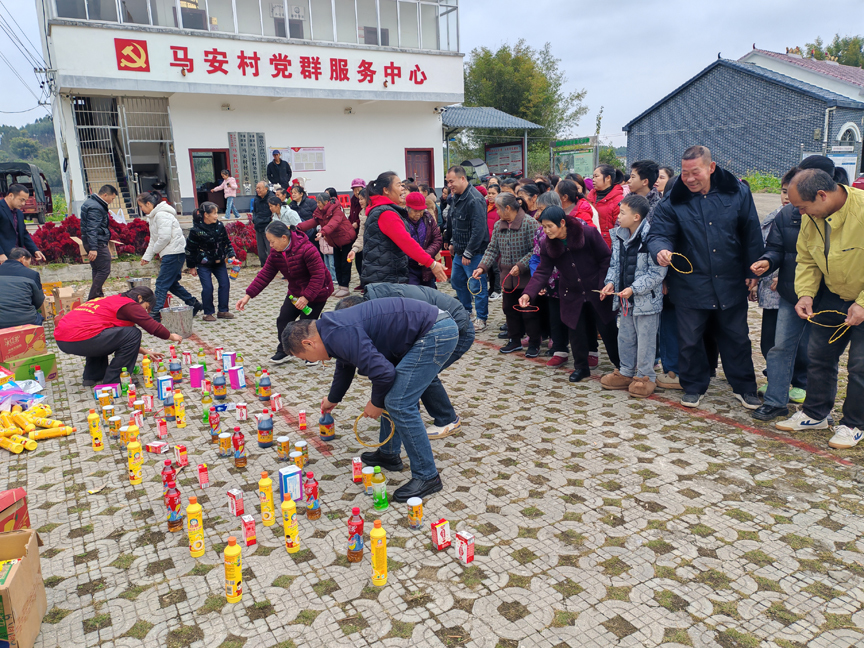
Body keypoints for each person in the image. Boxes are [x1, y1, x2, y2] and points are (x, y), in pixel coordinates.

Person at [282, 298, 458, 501]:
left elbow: (384, 373)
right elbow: (345, 365)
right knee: (394, 397)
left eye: (305, 357)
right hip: (430, 328)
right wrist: (333, 398)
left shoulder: (339, 332)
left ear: (308, 343)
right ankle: (389, 454)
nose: (309, 361)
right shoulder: (331, 329)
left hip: (436, 331)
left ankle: (428, 476)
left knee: (399, 402)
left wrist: (375, 403)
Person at [646, 145, 763, 409]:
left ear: (710, 168)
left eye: (695, 172)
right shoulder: (673, 200)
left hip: (730, 280)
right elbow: (658, 234)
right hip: (689, 283)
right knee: (689, 340)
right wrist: (661, 250)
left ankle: (744, 387)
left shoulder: (738, 192)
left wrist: (752, 272)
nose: (689, 179)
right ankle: (693, 385)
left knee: (737, 337)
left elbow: (751, 233)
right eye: (685, 172)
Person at [773, 168, 864, 449]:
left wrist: (862, 303)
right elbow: (807, 259)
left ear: (822, 195)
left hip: (862, 298)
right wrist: (806, 295)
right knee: (819, 355)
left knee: (860, 365)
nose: (799, 213)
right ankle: (815, 413)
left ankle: (854, 425)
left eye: (802, 206)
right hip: (833, 296)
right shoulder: (812, 217)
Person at [336, 282, 474, 439]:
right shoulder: (372, 307)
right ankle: (410, 414)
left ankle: (448, 421)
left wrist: (376, 401)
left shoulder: (383, 315)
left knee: (420, 372)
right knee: (414, 372)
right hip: (433, 327)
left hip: (457, 327)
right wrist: (334, 397)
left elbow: (387, 367)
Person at [520, 206, 620, 382]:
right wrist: (528, 293)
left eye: (550, 226)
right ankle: (581, 368)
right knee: (576, 331)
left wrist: (604, 283)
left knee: (608, 330)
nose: (547, 230)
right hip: (571, 293)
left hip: (598, 290)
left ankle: (622, 367)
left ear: (562, 223)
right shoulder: (547, 243)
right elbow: (543, 271)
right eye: (544, 226)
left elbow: (606, 258)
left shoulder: (588, 233)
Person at [750, 165, 814, 421]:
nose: (792, 205)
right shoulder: (786, 215)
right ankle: (776, 402)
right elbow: (776, 247)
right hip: (791, 292)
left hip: (827, 296)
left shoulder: (837, 215)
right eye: (786, 194)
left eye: (798, 202)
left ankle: (817, 410)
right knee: (780, 348)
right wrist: (768, 262)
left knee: (818, 354)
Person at [599, 195, 667, 398]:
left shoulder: (652, 238)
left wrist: (634, 289)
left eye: (622, 212)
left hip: (646, 301)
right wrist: (610, 283)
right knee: (625, 336)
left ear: (636, 216)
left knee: (646, 340)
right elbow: (614, 265)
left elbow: (657, 274)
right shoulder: (619, 235)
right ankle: (626, 371)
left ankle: (646, 376)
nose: (618, 216)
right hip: (625, 299)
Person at [237, 220, 333, 364]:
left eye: (272, 241)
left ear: (283, 237)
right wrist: (248, 295)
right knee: (283, 319)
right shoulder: (276, 253)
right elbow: (265, 274)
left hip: (317, 291)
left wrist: (306, 297)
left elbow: (318, 276)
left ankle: (313, 355)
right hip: (295, 292)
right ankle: (285, 350)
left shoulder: (307, 249)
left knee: (306, 324)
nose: (270, 245)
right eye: (269, 242)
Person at [55, 286, 182, 386]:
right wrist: (171, 336)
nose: (145, 312)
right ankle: (115, 379)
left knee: (101, 332)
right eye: (146, 307)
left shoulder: (111, 301)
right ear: (139, 298)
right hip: (81, 338)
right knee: (133, 333)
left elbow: (115, 339)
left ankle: (93, 375)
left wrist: (144, 351)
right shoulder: (128, 304)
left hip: (64, 340)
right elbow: (152, 327)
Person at [475, 192, 541, 356]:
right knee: (509, 309)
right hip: (507, 277)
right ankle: (514, 340)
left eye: (498, 208)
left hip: (525, 278)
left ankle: (534, 342)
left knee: (528, 311)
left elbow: (535, 250)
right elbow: (492, 249)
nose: (496, 212)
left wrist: (521, 265)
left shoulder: (530, 223)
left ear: (508, 208)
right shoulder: (499, 225)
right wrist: (482, 267)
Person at [361, 171, 447, 287]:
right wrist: (431, 263)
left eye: (402, 185)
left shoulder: (382, 210)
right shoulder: (386, 213)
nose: (402, 188)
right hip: (387, 279)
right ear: (386, 190)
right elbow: (406, 242)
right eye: (398, 185)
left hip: (383, 276)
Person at [137, 192, 202, 321]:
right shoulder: (154, 216)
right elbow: (154, 240)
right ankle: (194, 303)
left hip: (174, 253)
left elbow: (164, 238)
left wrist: (155, 252)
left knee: (161, 284)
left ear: (148, 204)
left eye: (141, 206)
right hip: (171, 253)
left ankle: (155, 313)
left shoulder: (161, 215)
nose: (142, 210)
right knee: (171, 284)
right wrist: (147, 256)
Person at [446, 166, 490, 331]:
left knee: (476, 285)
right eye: (447, 181)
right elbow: (455, 222)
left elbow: (479, 229)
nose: (449, 185)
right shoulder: (456, 197)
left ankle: (481, 318)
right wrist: (451, 241)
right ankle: (466, 311)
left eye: (452, 181)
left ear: (462, 179)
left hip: (474, 253)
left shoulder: (474, 199)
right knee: (457, 281)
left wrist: (469, 252)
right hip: (459, 251)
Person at [297, 193, 355, 298]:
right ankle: (340, 287)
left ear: (326, 202)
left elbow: (333, 223)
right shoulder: (320, 213)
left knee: (345, 264)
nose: (318, 204)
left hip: (346, 239)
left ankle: (345, 287)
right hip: (336, 242)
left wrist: (322, 232)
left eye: (319, 202)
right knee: (337, 264)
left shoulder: (337, 210)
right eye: (317, 202)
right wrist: (298, 227)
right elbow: (311, 222)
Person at [185, 201, 236, 322]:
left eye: (216, 213)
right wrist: (191, 266)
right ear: (206, 215)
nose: (216, 216)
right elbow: (189, 250)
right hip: (203, 264)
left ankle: (223, 310)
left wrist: (231, 254)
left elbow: (226, 242)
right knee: (207, 287)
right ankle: (208, 312)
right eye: (213, 213)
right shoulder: (195, 230)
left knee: (225, 284)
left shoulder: (219, 226)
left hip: (219, 262)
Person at [80, 184, 118, 301]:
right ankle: (92, 298)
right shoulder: (96, 207)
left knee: (97, 269)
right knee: (104, 269)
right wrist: (93, 248)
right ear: (105, 195)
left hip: (91, 241)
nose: (112, 201)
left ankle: (98, 297)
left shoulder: (91, 202)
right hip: (97, 243)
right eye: (112, 198)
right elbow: (92, 228)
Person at [404, 191, 443, 288]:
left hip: (426, 265)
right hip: (408, 266)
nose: (418, 214)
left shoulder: (427, 218)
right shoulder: (401, 220)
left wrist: (426, 254)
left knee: (429, 293)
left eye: (421, 210)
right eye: (415, 211)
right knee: (413, 294)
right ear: (407, 208)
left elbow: (437, 239)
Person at [0, 248, 44, 328]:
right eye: (28, 262)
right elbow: (39, 300)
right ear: (22, 259)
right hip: (26, 320)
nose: (28, 266)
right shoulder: (32, 274)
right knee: (39, 317)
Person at [0, 184, 44, 265]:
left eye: (25, 201)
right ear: (11, 195)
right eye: (21, 200)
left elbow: (23, 233)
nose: (23, 203)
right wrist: (1, 254)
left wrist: (35, 250)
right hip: (3, 257)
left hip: (16, 257)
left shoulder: (19, 213)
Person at [588, 165, 625, 247]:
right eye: (593, 177)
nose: (593, 180)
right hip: (590, 243)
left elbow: (619, 228)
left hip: (607, 246)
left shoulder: (619, 200)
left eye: (596, 176)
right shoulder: (589, 197)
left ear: (608, 178)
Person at [347, 188, 368, 291]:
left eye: (362, 199)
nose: (360, 201)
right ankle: (364, 283)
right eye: (359, 199)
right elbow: (361, 235)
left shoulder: (374, 212)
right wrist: (354, 250)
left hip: (375, 248)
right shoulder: (362, 213)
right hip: (364, 245)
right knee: (360, 264)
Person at [251, 181, 276, 266]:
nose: (257, 190)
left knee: (270, 250)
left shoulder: (271, 198)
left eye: (259, 188)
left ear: (266, 188)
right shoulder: (256, 199)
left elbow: (273, 213)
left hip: (268, 227)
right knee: (261, 252)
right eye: (256, 188)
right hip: (258, 226)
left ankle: (272, 267)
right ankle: (264, 268)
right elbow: (254, 211)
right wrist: (254, 219)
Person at [485, 184, 502, 299]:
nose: (490, 196)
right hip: (486, 241)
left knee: (496, 268)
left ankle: (498, 289)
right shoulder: (485, 206)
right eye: (489, 193)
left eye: (493, 193)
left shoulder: (500, 208)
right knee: (489, 267)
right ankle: (491, 289)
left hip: (496, 241)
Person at [349, 179, 366, 277]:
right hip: (356, 232)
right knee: (358, 258)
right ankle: (361, 279)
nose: (356, 192)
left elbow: (362, 218)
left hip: (361, 229)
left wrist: (357, 223)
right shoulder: (353, 200)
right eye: (354, 190)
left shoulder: (368, 206)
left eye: (358, 189)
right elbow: (352, 214)